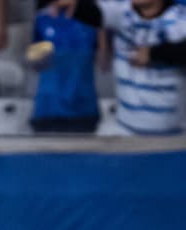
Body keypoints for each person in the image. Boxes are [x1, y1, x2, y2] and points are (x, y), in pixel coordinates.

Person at [57, 0, 186, 134]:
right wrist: (74, 4)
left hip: (171, 137)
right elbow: (93, 12)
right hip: (124, 132)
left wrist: (153, 54)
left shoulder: (180, 18)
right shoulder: (122, 12)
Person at [26, 0, 104, 133]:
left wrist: (97, 23)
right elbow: (35, 65)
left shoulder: (94, 19)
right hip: (47, 111)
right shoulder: (42, 20)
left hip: (84, 111)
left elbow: (104, 63)